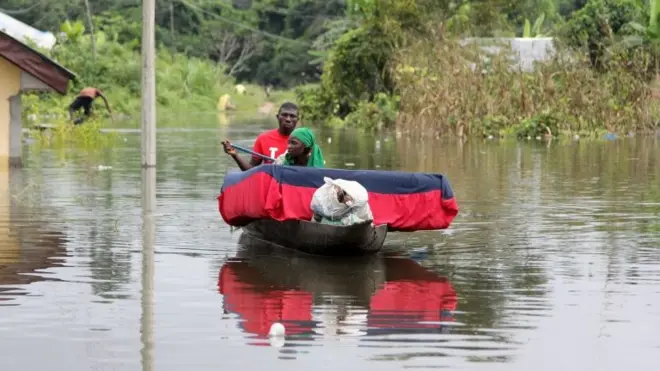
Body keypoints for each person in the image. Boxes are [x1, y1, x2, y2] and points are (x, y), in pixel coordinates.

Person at [222, 102, 299, 171]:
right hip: (269, 185)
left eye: (292, 116)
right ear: (277, 117)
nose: (288, 119)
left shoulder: (304, 141)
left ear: (297, 119)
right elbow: (250, 169)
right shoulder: (263, 138)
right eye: (284, 115)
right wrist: (235, 155)